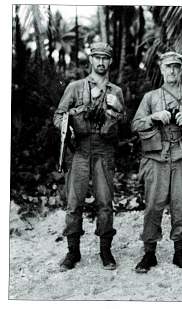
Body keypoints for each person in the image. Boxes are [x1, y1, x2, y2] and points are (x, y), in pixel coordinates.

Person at [132, 51, 182, 273]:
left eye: (176, 66)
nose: (172, 71)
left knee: (181, 206)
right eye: (168, 66)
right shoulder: (151, 97)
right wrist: (154, 117)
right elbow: (135, 125)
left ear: (181, 70)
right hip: (156, 157)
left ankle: (179, 253)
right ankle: (149, 254)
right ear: (161, 69)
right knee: (153, 207)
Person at [53, 42, 125, 271]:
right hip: (80, 150)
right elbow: (58, 116)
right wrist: (70, 127)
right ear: (91, 60)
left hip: (104, 151)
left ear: (110, 61)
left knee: (105, 203)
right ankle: (73, 252)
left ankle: (105, 251)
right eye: (97, 58)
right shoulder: (75, 87)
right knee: (74, 204)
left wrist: (118, 109)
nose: (101, 62)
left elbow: (122, 124)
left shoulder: (116, 91)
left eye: (105, 58)